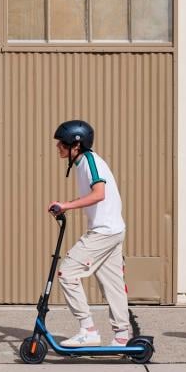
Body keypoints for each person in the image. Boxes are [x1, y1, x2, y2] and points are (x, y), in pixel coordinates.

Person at [48, 120, 130, 347]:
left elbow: (99, 194)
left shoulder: (89, 161)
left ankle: (88, 330)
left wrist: (66, 206)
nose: (58, 148)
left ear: (76, 145)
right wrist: (66, 205)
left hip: (104, 232)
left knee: (67, 273)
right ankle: (122, 336)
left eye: (62, 144)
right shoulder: (84, 163)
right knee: (112, 283)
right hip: (113, 230)